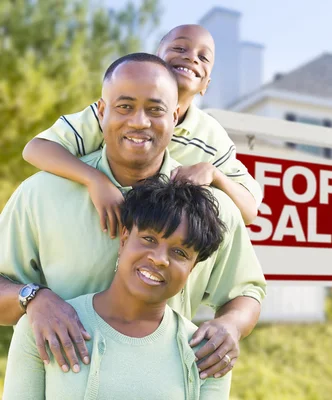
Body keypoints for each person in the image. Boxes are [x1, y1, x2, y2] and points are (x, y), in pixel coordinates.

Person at [0, 53, 266, 380]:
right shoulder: (40, 194)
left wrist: (230, 326)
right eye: (125, 106)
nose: (139, 122)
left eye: (155, 110)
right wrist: (33, 299)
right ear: (101, 111)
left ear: (176, 115)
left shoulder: (212, 208)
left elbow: (246, 292)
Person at [3, 176, 232, 399]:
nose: (160, 259)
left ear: (192, 268)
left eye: (180, 253)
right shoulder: (45, 326)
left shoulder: (207, 353)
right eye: (149, 239)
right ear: (123, 240)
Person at [22, 24, 261, 230]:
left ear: (206, 84)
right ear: (155, 60)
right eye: (179, 48)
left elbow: (249, 211)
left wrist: (214, 173)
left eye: (203, 57)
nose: (191, 57)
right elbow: (36, 149)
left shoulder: (211, 136)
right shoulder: (116, 113)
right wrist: (95, 180)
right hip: (94, 224)